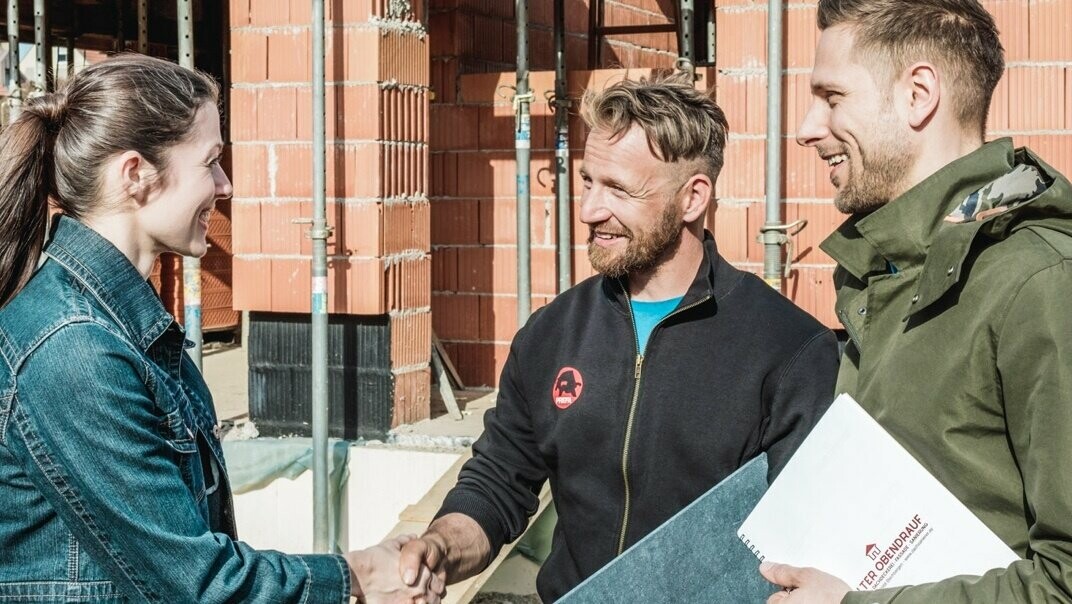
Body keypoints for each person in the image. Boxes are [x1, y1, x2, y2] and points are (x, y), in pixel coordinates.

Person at [0, 54, 441, 603]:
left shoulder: (126, 330)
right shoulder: (74, 351)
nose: (225, 185)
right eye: (210, 162)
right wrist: (357, 576)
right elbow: (196, 584)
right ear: (135, 174)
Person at [398, 71, 840, 601]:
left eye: (618, 190)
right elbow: (499, 481)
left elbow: (808, 544)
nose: (589, 211)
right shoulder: (552, 333)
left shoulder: (789, 350)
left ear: (692, 198)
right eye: (587, 182)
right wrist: (440, 547)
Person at [760, 1, 1072, 602]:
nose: (805, 127)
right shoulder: (888, 272)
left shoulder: (1041, 282)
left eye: (832, 97)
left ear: (918, 94)